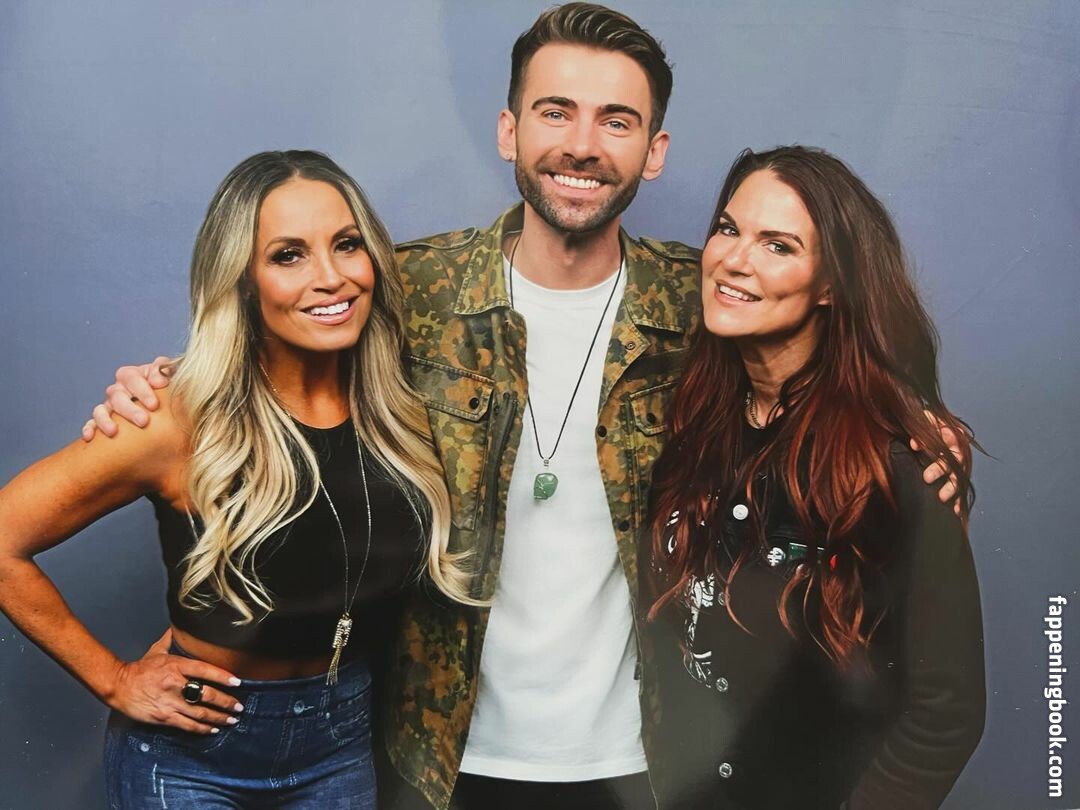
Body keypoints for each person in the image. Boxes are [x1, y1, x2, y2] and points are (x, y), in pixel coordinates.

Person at [83, 6, 962, 809]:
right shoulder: (409, 292)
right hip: (433, 759)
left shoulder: (699, 301)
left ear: (654, 150)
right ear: (509, 130)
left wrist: (919, 420)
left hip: (644, 764)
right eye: (555, 112)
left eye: (616, 120)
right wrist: (164, 386)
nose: (582, 145)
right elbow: (272, 351)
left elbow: (824, 347)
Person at [0, 150, 473, 808]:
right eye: (289, 255)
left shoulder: (407, 407)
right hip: (196, 752)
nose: (330, 277)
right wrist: (115, 680)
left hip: (341, 742)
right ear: (243, 281)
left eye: (346, 245)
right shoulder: (175, 418)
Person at [644, 146, 985, 810]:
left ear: (830, 285)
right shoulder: (692, 426)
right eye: (728, 229)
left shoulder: (894, 461)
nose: (734, 259)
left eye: (778, 245)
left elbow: (947, 711)